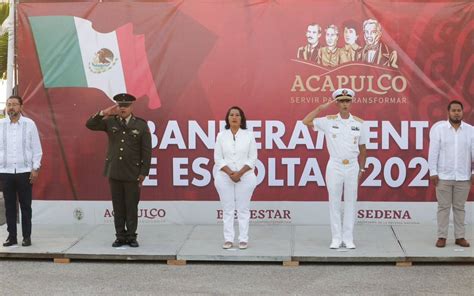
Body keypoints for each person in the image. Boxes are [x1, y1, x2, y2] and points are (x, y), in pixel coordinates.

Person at [302, 88, 367, 249]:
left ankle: (348, 238)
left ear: (351, 102)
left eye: (347, 101)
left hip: (352, 165)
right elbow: (306, 121)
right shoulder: (328, 120)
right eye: (342, 101)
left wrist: (362, 169)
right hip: (335, 165)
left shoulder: (360, 123)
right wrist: (320, 108)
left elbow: (363, 149)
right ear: (337, 103)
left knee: (351, 202)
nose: (345, 104)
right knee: (334, 202)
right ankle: (336, 238)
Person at [86, 93, 152, 248]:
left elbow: (147, 151)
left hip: (132, 172)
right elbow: (90, 124)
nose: (123, 109)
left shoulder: (141, 125)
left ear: (131, 107)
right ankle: (120, 236)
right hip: (114, 171)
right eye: (120, 105)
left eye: (126, 106)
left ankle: (131, 236)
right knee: (118, 205)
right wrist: (103, 113)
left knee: (131, 206)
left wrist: (143, 172)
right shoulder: (110, 122)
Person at [428, 100, 472, 248]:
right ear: (448, 112)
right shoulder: (440, 130)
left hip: (463, 177)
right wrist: (433, 172)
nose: (456, 113)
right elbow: (433, 152)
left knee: (460, 208)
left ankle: (460, 237)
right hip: (443, 177)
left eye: (459, 110)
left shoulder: (470, 130)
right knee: (443, 207)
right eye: (453, 110)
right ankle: (442, 237)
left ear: (462, 112)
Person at [0, 95, 43, 247]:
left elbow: (37, 149)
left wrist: (35, 168)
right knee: (9, 206)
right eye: (8, 104)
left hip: (25, 172)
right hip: (6, 172)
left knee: (25, 206)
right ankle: (12, 237)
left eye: (14, 104)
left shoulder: (29, 124)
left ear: (21, 107)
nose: (11, 107)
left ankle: (27, 237)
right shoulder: (1, 125)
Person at [213, 106, 258, 250]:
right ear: (227, 118)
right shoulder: (221, 135)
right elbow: (218, 158)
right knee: (228, 209)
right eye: (231, 115)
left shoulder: (249, 135)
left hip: (246, 177)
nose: (234, 117)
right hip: (224, 177)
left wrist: (239, 173)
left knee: (243, 209)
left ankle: (243, 239)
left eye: (237, 115)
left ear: (241, 119)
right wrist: (230, 173)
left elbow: (252, 159)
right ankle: (228, 239)